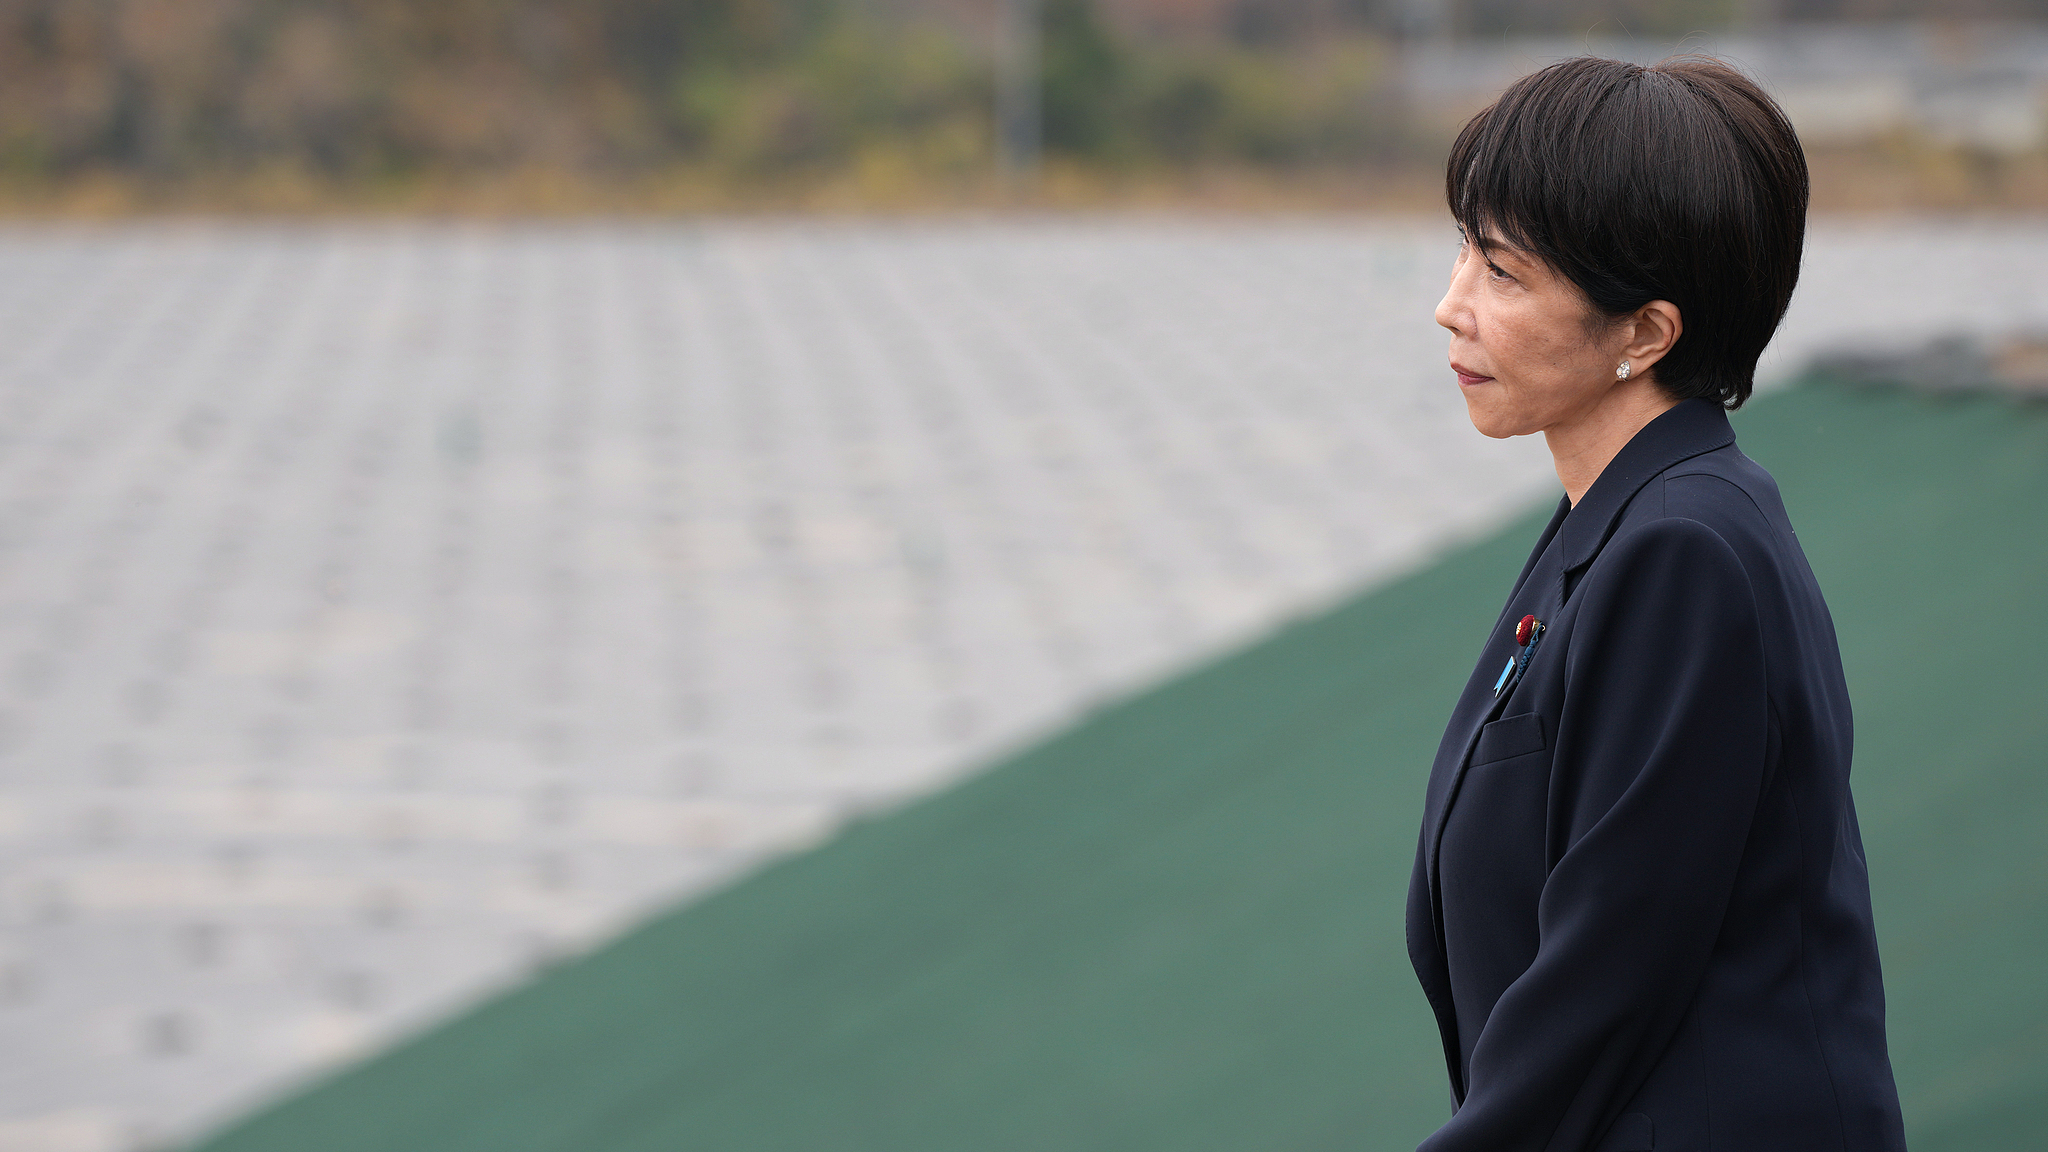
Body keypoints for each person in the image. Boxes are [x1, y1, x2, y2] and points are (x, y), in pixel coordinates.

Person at [1406, 56, 1908, 1152]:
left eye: (1500, 271)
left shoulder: (1684, 550)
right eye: (1464, 251)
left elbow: (1605, 982)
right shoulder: (1624, 519)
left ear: (1644, 333)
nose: (1449, 306)